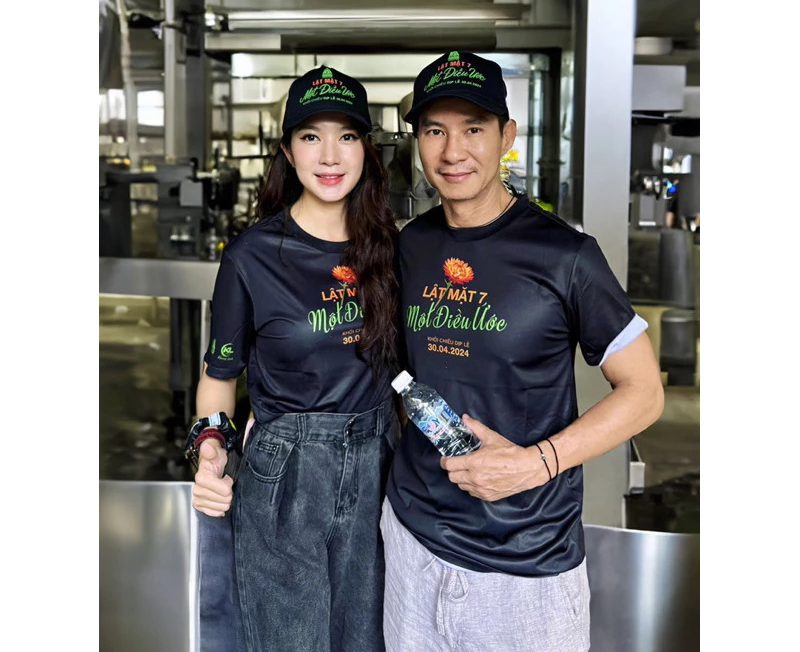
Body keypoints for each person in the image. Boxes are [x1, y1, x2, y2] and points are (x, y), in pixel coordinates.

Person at [381, 51, 665, 652]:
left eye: (473, 129)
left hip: (525, 563)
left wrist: (537, 463)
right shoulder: (409, 246)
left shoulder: (565, 255)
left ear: (507, 136)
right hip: (412, 543)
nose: (453, 152)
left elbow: (645, 392)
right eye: (434, 131)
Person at [188, 64, 401, 652]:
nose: (329, 155)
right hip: (285, 476)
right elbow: (219, 376)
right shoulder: (251, 256)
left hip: (380, 466)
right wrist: (210, 448)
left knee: (370, 638)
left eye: (347, 136)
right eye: (311, 136)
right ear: (287, 150)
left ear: (366, 148)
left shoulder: (392, 248)